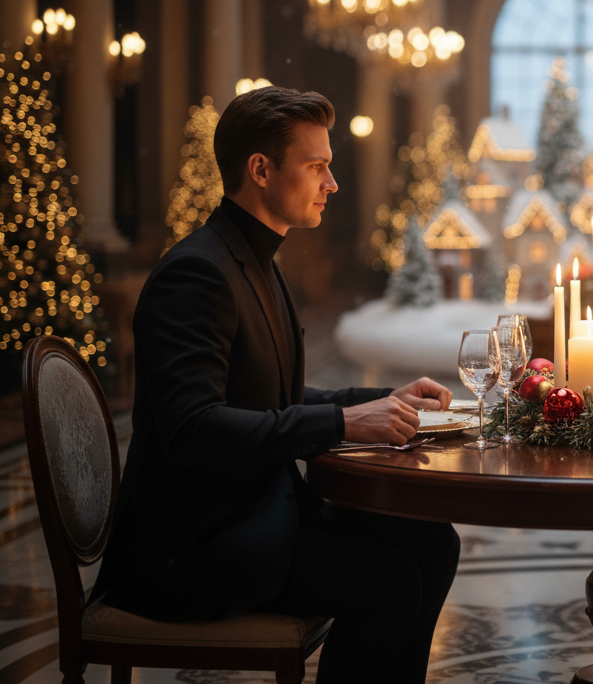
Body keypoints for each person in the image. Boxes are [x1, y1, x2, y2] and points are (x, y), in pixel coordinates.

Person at [94, 86, 460, 683]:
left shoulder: (254, 258)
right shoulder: (197, 271)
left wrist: (379, 401)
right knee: (389, 583)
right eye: (317, 167)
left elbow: (272, 403)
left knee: (433, 544)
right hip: (192, 546)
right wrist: (343, 424)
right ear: (260, 170)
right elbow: (194, 430)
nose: (331, 184)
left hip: (252, 512)